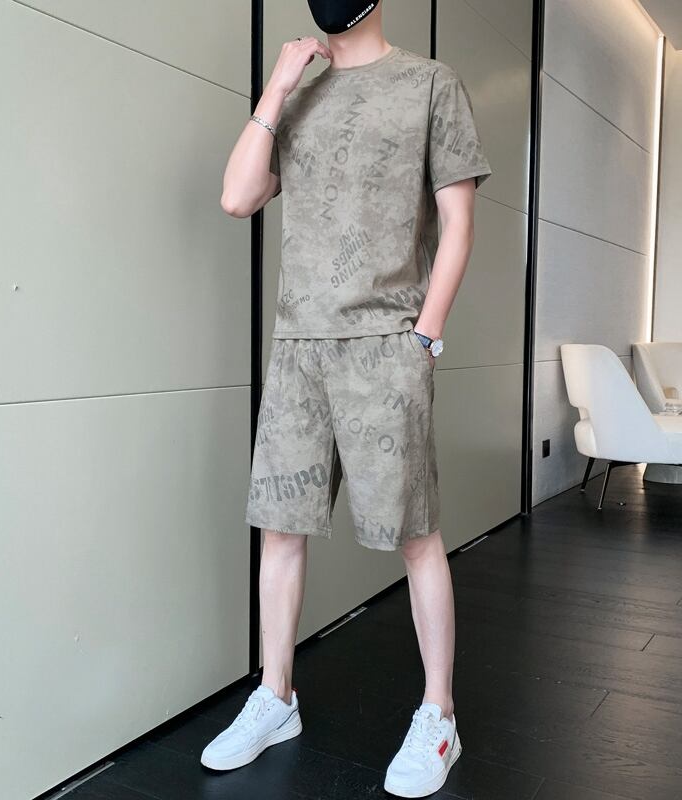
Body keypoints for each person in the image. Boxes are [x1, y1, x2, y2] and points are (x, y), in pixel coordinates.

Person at [201, 1, 492, 796]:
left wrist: (424, 337)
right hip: (298, 346)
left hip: (385, 345)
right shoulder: (297, 94)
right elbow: (237, 197)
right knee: (280, 528)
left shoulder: (430, 83)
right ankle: (276, 696)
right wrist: (276, 89)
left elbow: (459, 223)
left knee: (416, 534)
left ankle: (439, 716)